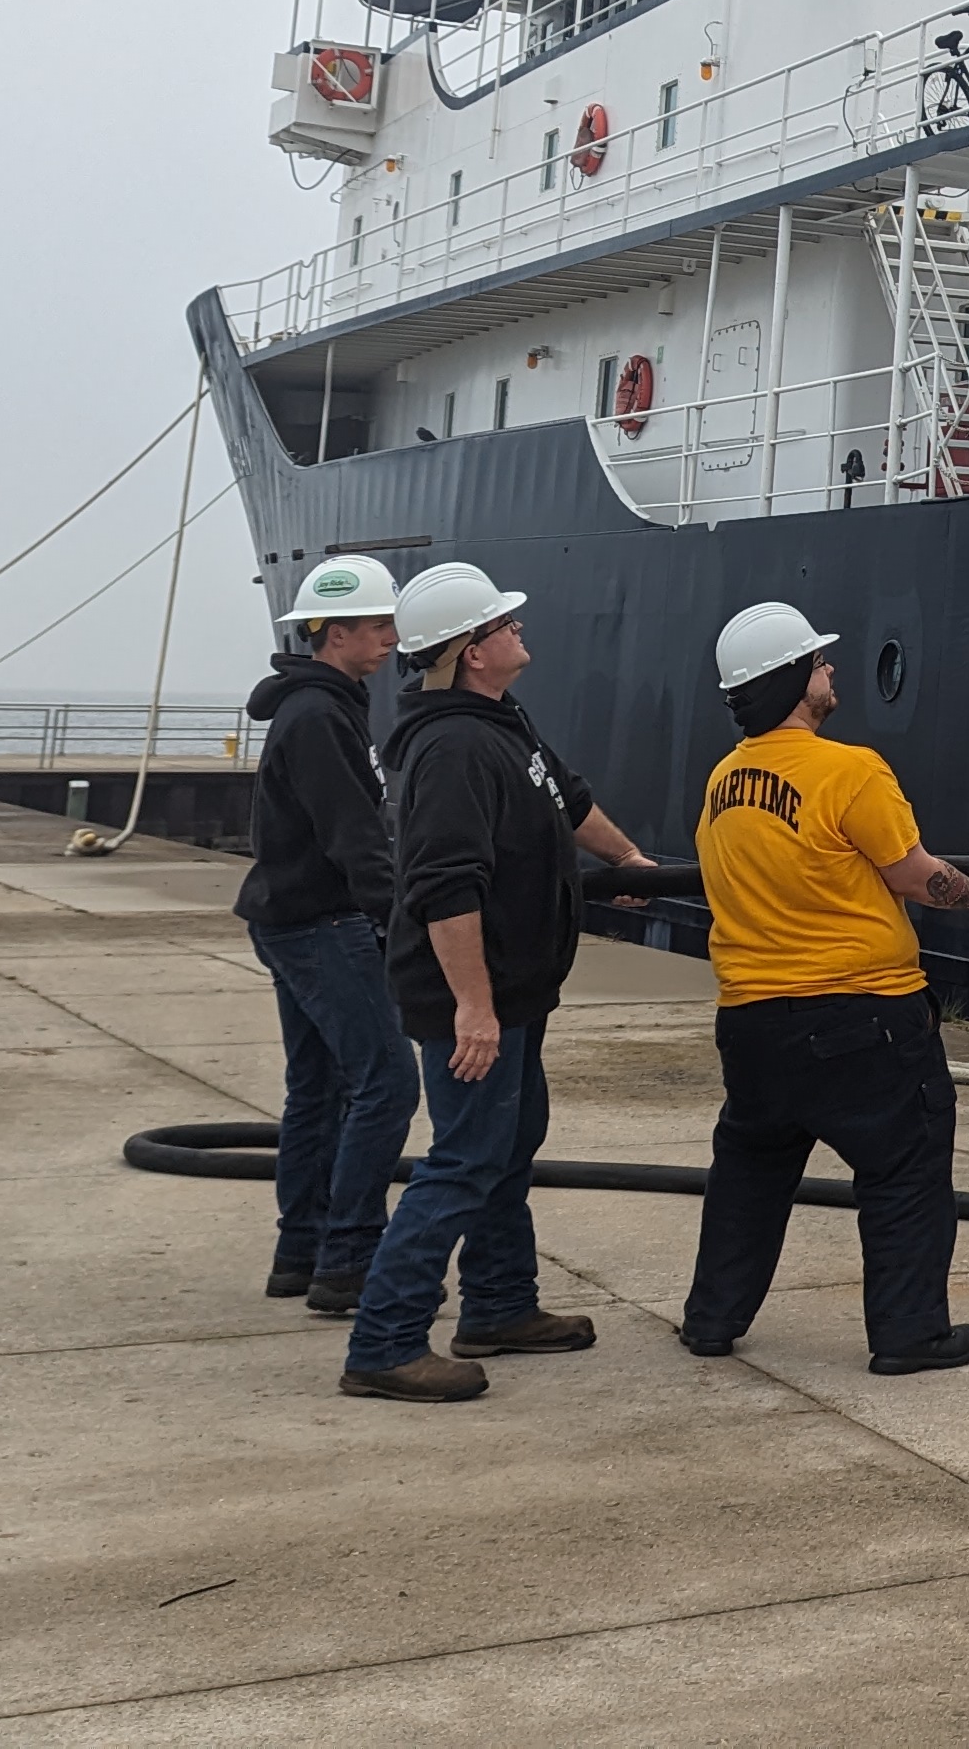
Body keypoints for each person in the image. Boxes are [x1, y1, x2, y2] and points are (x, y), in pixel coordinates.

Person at [679, 602, 969, 1372]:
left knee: (749, 1170)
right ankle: (909, 1335)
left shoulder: (722, 781)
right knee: (904, 1169)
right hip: (862, 1015)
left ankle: (711, 1319)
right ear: (795, 683)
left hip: (751, 1019)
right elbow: (914, 875)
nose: (831, 670)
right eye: (819, 662)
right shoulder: (850, 770)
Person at [338, 561, 652, 1403]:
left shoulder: (499, 722)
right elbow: (444, 888)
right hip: (473, 997)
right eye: (502, 624)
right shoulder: (451, 749)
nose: (519, 629)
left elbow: (567, 799)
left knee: (508, 1147)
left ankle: (501, 1306)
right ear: (472, 652)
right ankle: (386, 1341)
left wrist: (625, 861)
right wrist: (472, 1007)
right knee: (464, 1159)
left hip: (518, 985)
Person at [235, 554, 416, 1317]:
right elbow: (355, 837)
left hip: (289, 917)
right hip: (322, 923)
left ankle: (300, 1252)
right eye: (378, 627)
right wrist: (407, 922)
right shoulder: (320, 717)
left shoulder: (321, 707)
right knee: (385, 1085)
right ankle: (350, 1260)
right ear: (334, 633)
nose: (391, 640)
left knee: (317, 1087)